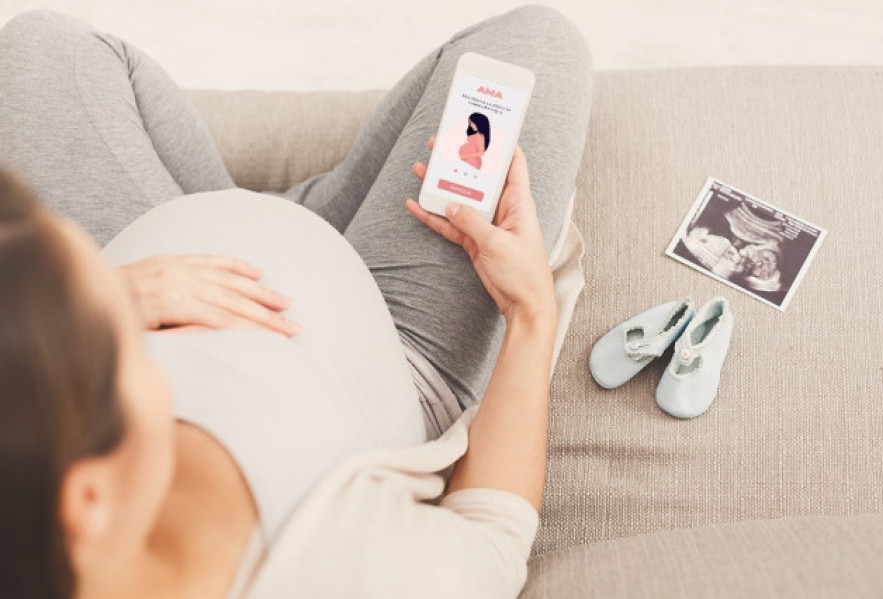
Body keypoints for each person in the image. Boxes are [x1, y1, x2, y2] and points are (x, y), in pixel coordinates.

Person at [0, 4, 592, 598]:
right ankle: (318, 216)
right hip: (392, 331)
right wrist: (530, 312)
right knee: (536, 44)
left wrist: (116, 293)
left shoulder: (45, 472)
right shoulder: (352, 574)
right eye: (107, 340)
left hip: (167, 232)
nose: (112, 323)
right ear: (89, 501)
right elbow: (494, 535)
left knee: (40, 47)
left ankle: (279, 207)